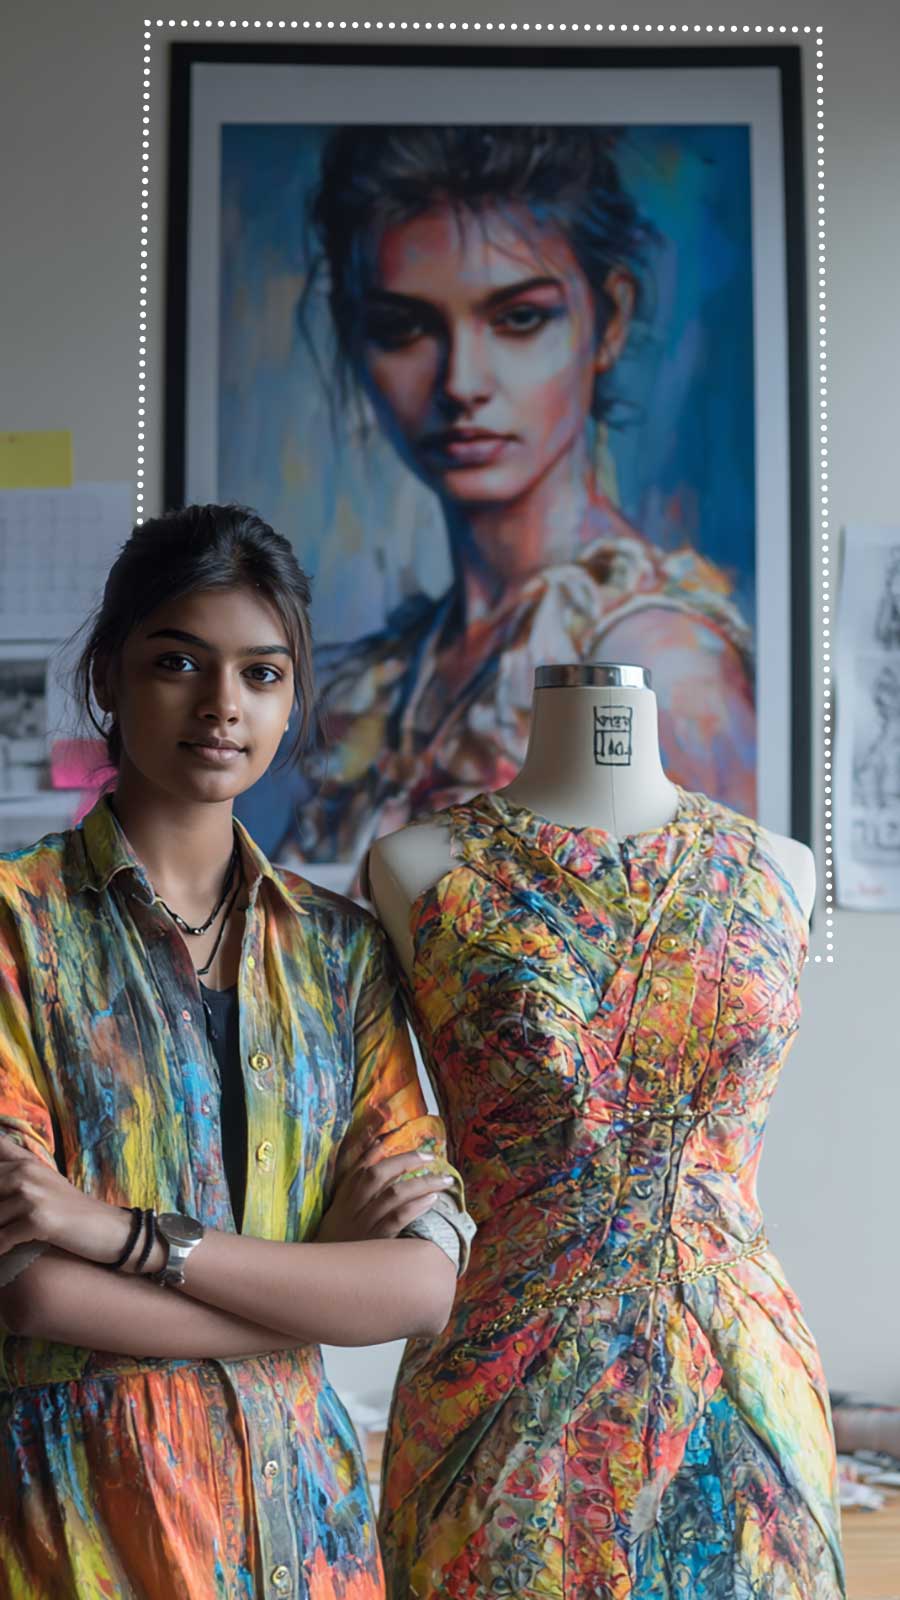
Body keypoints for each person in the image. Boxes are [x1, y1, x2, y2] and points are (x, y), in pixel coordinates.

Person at [0, 504, 473, 1600]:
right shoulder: (19, 930)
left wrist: (117, 1233)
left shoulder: (341, 953)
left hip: (312, 1541)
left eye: (262, 673)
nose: (224, 706)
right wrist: (307, 1292)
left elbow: (419, 1286)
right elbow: (31, 1289)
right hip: (88, 1537)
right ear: (107, 678)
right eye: (179, 663)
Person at [277, 125, 756, 880]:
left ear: (611, 318)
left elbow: (687, 986)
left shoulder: (660, 666)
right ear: (353, 338)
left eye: (519, 317)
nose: (463, 381)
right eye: (405, 327)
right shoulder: (400, 670)